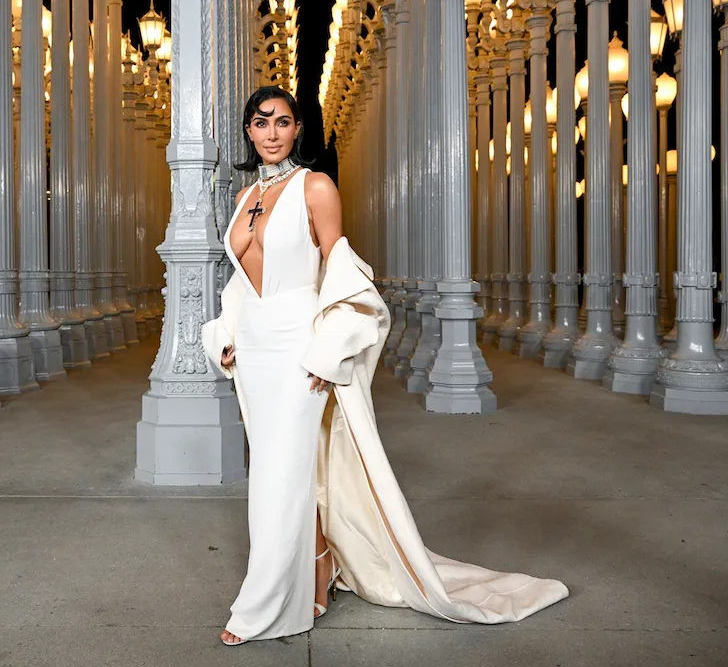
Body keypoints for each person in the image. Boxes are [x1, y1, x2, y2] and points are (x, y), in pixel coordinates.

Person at [203, 87, 568, 646]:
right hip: (253, 352)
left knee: (281, 475)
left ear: (297, 129)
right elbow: (239, 283)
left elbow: (346, 278)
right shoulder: (242, 198)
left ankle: (265, 606)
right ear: (248, 131)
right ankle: (319, 561)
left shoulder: (316, 187)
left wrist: (329, 349)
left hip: (301, 347)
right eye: (260, 122)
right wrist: (224, 337)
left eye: (282, 122)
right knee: (280, 469)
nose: (271, 132)